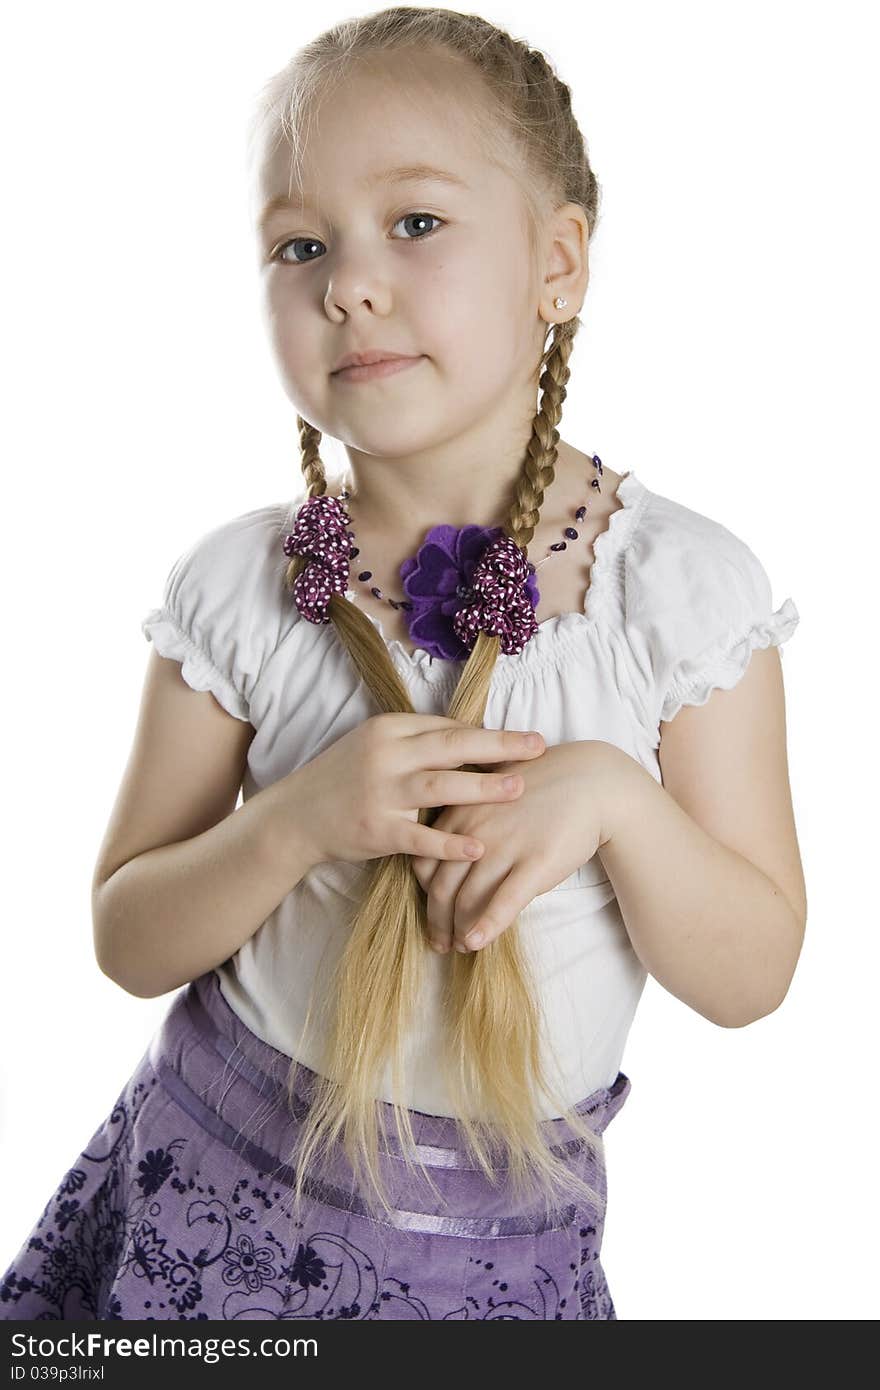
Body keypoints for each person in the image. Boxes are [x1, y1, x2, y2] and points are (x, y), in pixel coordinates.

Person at [0, 7, 806, 1322]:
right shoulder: (242, 588)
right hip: (199, 1227)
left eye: (415, 225)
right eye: (299, 245)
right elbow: (127, 934)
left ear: (558, 263)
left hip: (486, 1272)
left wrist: (615, 797)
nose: (349, 282)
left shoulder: (673, 596)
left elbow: (753, 969)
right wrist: (297, 823)